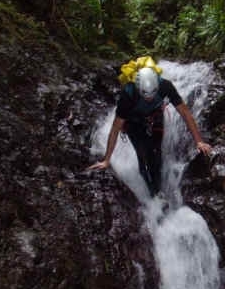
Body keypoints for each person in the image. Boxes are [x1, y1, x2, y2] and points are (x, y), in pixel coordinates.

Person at [88, 59, 212, 197]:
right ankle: (152, 194)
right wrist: (106, 160)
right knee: (143, 156)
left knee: (156, 154)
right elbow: (115, 128)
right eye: (145, 95)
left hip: (155, 118)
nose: (149, 98)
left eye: (153, 94)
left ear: (157, 85)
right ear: (138, 88)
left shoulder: (166, 86)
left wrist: (199, 141)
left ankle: (158, 190)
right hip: (133, 123)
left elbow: (185, 113)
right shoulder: (129, 93)